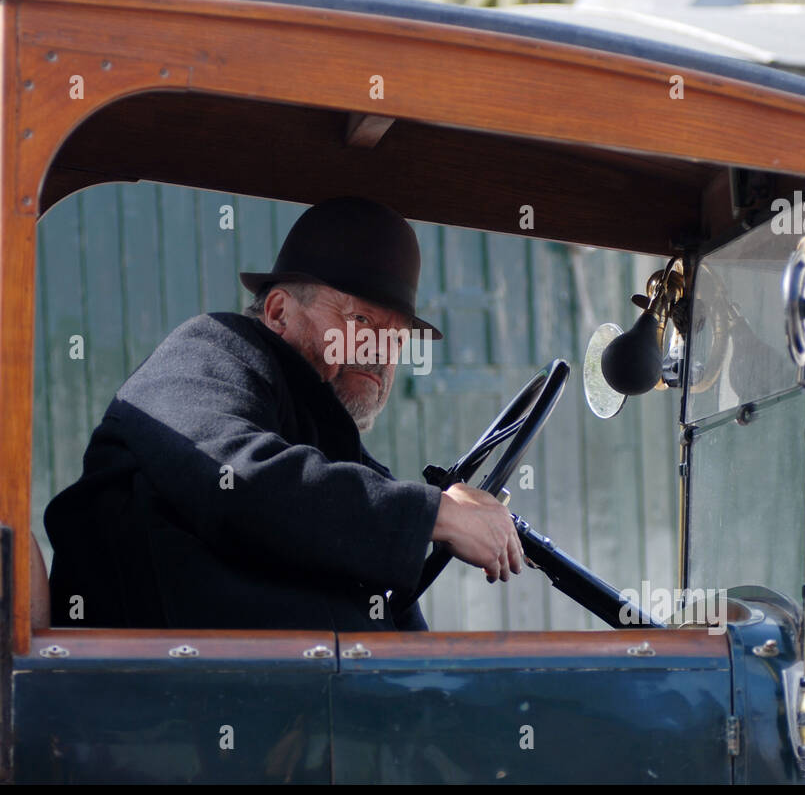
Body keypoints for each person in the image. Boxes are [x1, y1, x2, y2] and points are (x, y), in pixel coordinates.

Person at [45, 196, 523, 631]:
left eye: (396, 339)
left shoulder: (331, 443)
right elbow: (237, 480)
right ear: (277, 313)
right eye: (360, 322)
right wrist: (434, 513)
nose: (381, 352)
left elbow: (386, 602)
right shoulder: (212, 351)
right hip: (155, 702)